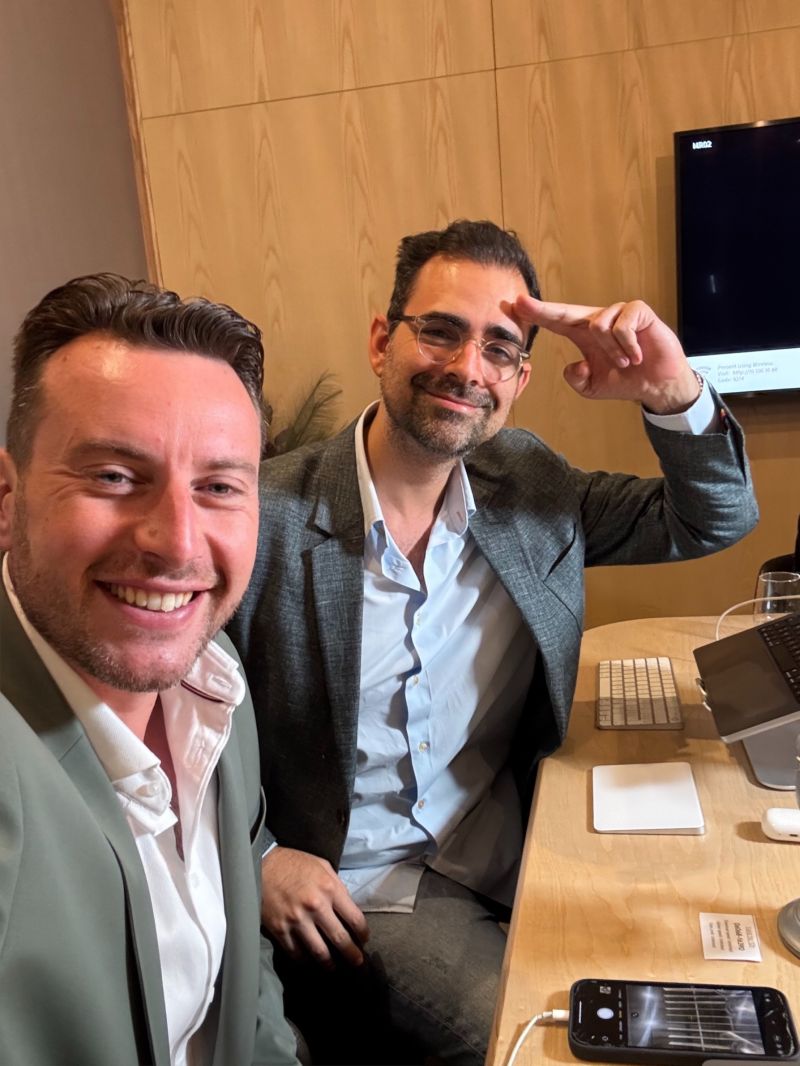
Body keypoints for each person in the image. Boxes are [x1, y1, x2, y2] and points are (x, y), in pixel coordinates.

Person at [228, 220, 758, 1065]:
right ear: (381, 339)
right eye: (440, 331)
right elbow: (159, 721)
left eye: (499, 349)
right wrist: (257, 858)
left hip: (515, 843)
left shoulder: (526, 486)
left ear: (520, 378)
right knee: (545, 1048)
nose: (467, 368)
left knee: (700, 987)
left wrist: (671, 389)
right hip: (368, 887)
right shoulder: (263, 517)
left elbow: (711, 518)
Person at [0, 275, 299, 1066]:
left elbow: (241, 961)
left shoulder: (215, 678)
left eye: (219, 487)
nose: (178, 543)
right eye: (113, 476)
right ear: (6, 497)